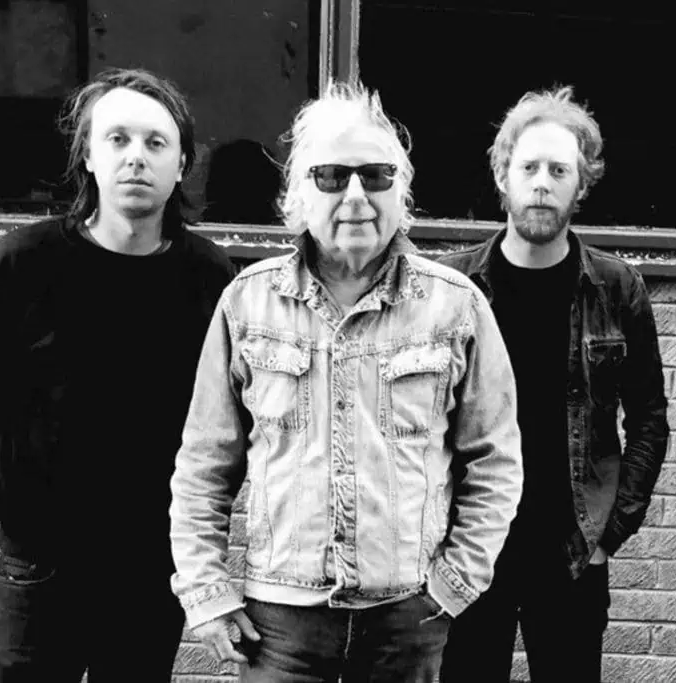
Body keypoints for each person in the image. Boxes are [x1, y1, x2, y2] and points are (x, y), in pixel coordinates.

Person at [168, 81, 523, 682]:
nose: (356, 194)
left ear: (401, 194)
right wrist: (207, 591)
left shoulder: (456, 307)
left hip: (407, 617)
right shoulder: (247, 303)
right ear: (299, 196)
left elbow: (495, 461)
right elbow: (205, 464)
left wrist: (454, 584)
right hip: (279, 627)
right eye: (331, 176)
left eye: (376, 175)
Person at [0, 67, 236, 681]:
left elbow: (224, 414)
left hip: (148, 562)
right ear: (88, 154)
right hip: (40, 562)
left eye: (156, 142)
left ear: (182, 164)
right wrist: (26, 481)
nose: (136, 156)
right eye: (117, 139)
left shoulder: (209, 279)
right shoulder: (21, 265)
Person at [438, 86, 670, 682]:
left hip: (572, 552)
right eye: (529, 168)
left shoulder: (617, 289)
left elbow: (649, 419)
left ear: (580, 184)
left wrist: (610, 533)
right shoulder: (453, 289)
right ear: (503, 176)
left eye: (559, 170)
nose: (542, 183)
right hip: (469, 547)